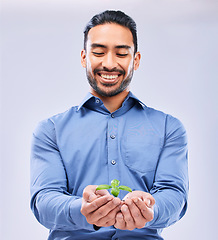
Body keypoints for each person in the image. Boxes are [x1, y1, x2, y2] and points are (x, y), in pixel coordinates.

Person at [30, 10, 189, 240]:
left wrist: (150, 209)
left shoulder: (168, 128)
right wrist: (81, 210)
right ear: (85, 57)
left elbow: (175, 195)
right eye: (98, 52)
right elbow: (43, 200)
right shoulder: (50, 130)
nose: (109, 63)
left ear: (136, 60)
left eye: (121, 53)